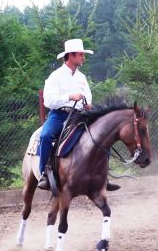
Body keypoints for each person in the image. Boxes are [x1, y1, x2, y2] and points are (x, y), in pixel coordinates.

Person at [37, 39, 120, 191]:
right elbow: (48, 101)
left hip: (79, 115)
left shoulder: (81, 77)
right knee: (46, 135)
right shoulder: (55, 76)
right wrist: (69, 97)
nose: (83, 57)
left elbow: (88, 96)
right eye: (81, 54)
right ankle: (44, 174)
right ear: (71, 56)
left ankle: (103, 176)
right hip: (59, 115)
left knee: (101, 135)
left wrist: (87, 104)